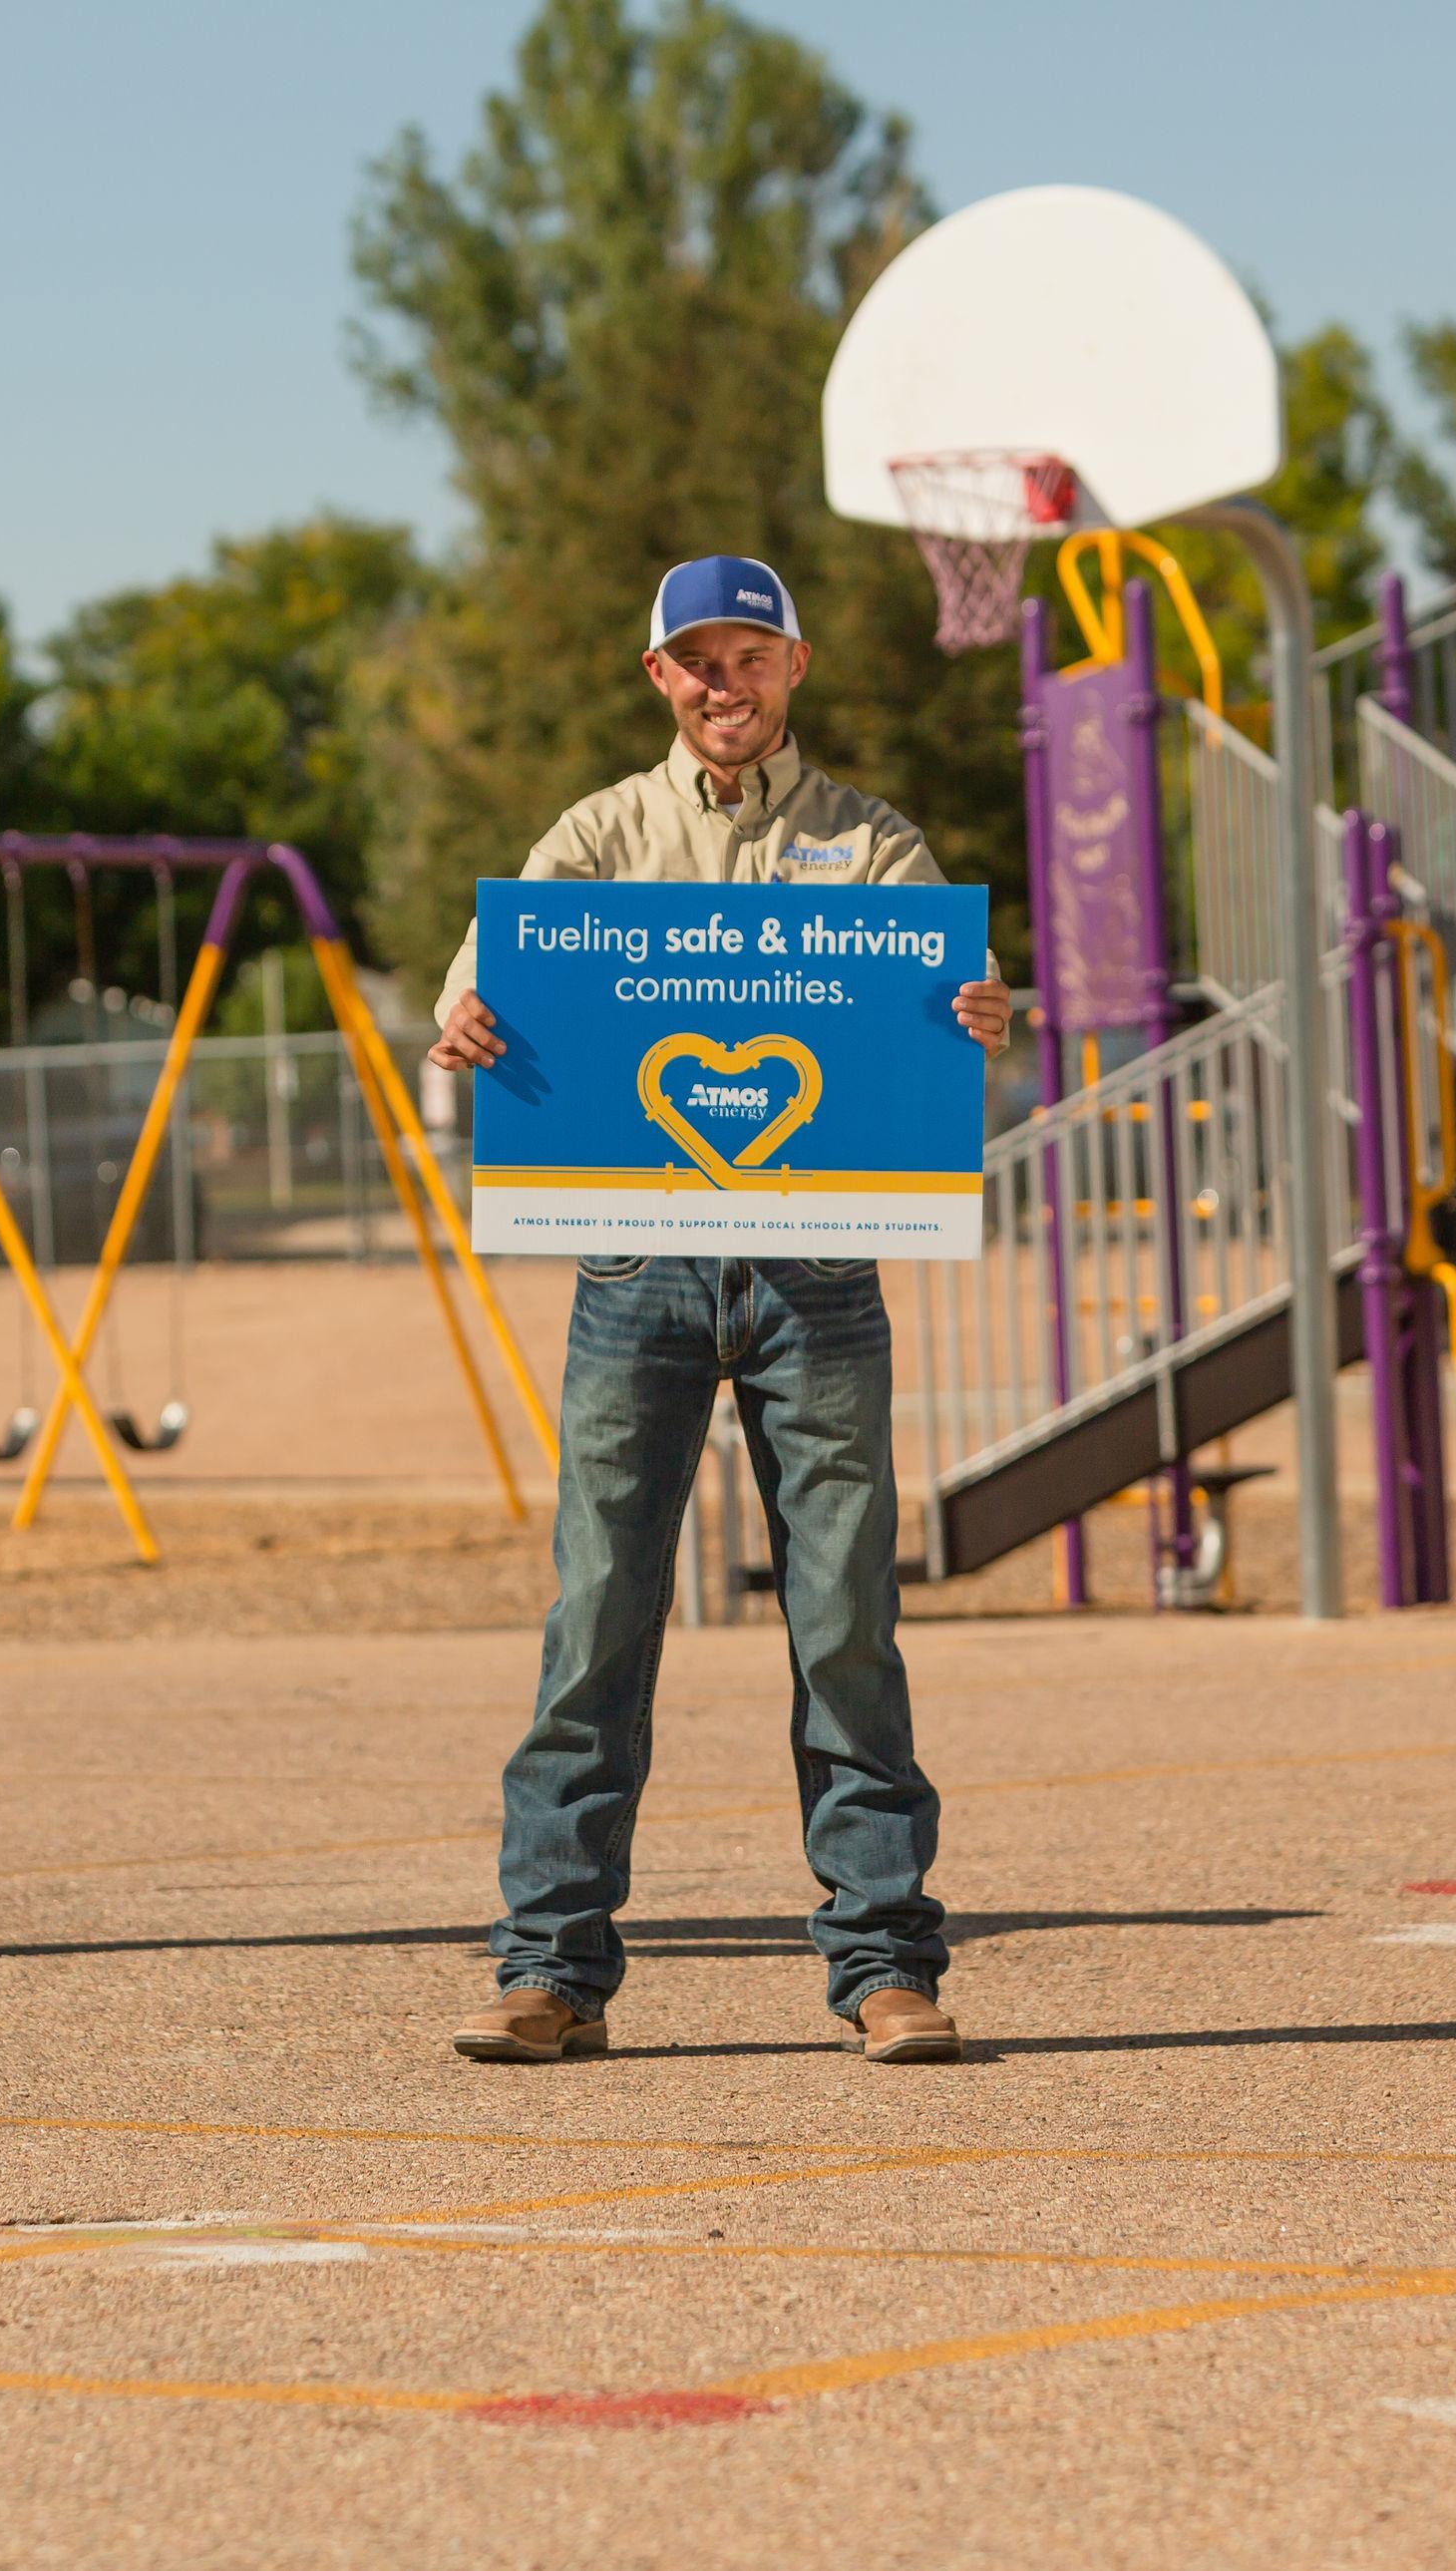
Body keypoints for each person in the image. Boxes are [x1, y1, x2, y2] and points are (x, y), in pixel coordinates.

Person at [426, 555, 1011, 2066]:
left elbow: (955, 998)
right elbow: (478, 987)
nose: (721, 684)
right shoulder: (595, 836)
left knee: (844, 1623)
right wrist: (464, 1014)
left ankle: (887, 1964)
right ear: (657, 678)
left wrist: (978, 1013)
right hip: (635, 1268)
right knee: (599, 1616)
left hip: (822, 1273)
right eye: (694, 661)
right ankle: (549, 1968)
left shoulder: (874, 844)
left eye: (748, 656)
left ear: (796, 667)